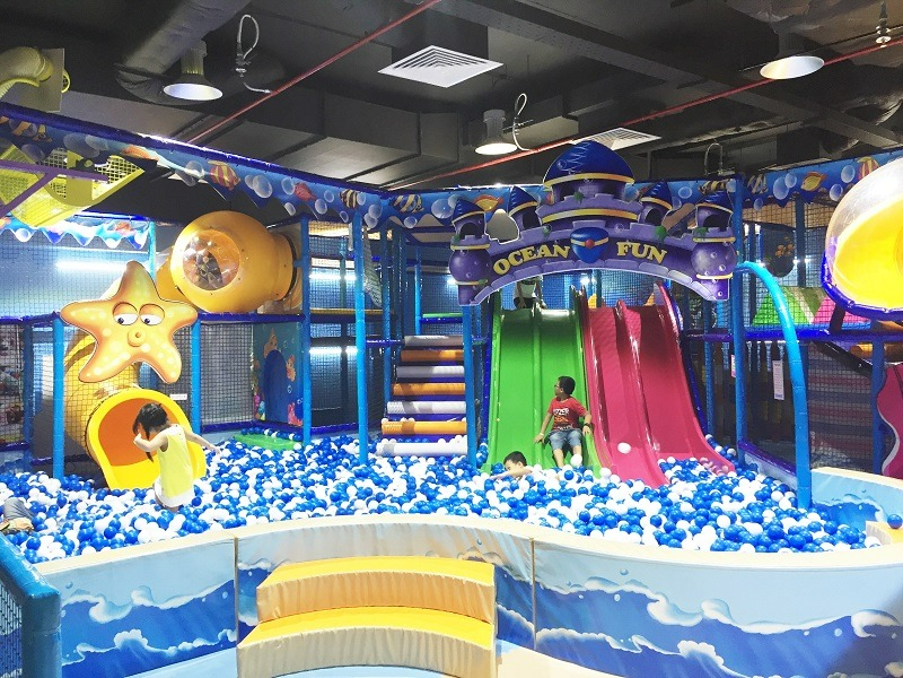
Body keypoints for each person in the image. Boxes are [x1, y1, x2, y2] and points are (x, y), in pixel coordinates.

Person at [132, 403, 216, 511]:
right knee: (157, 483)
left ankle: (168, 510)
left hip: (172, 481)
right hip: (186, 478)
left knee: (171, 506)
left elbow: (148, 447)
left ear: (152, 427)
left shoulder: (163, 436)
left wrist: (138, 440)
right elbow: (194, 438)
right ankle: (167, 506)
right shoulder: (179, 428)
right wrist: (209, 445)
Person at [534, 375, 593, 468]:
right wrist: (541, 433)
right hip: (557, 431)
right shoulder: (554, 402)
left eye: (556, 386)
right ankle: (561, 467)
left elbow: (587, 415)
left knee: (575, 438)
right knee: (555, 440)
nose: (554, 387)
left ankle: (578, 464)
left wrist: (586, 425)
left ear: (561, 390)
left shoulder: (573, 402)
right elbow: (548, 417)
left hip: (572, 430)